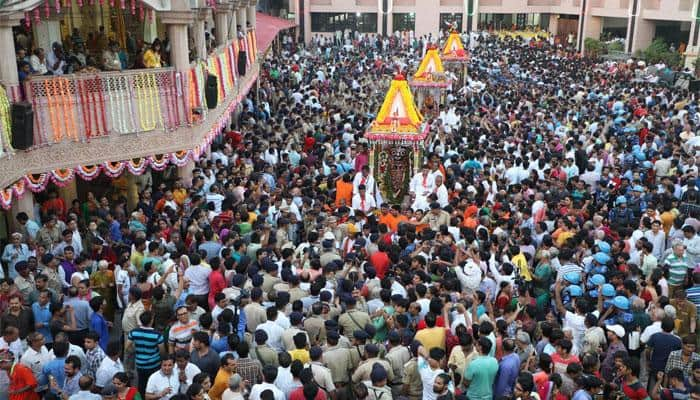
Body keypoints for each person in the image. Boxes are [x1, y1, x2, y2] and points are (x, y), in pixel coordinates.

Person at [127, 311, 165, 396]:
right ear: (151, 321)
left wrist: (136, 351)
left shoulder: (133, 332)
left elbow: (127, 347)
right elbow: (162, 351)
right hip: (154, 364)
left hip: (140, 364)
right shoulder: (157, 335)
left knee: (142, 383)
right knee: (154, 383)